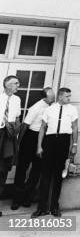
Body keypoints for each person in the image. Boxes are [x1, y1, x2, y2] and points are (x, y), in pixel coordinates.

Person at [32, 87, 78, 218]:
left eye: (70, 96)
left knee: (59, 176)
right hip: (49, 141)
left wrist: (74, 145)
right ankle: (41, 208)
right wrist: (39, 146)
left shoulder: (72, 109)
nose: (70, 98)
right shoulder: (49, 109)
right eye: (67, 96)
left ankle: (54, 207)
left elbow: (75, 127)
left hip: (63, 141)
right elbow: (42, 128)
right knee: (45, 175)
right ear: (60, 97)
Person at [12, 87, 55, 209]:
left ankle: (27, 198)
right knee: (22, 168)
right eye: (51, 96)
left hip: (43, 139)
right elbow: (25, 125)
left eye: (54, 96)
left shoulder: (52, 108)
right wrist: (19, 144)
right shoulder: (36, 107)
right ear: (45, 97)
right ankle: (16, 199)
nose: (53, 98)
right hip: (30, 138)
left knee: (37, 169)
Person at [0, 75, 21, 217]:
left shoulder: (17, 100)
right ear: (7, 85)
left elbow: (17, 118)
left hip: (9, 137)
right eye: (15, 83)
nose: (18, 86)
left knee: (3, 171)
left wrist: (16, 128)